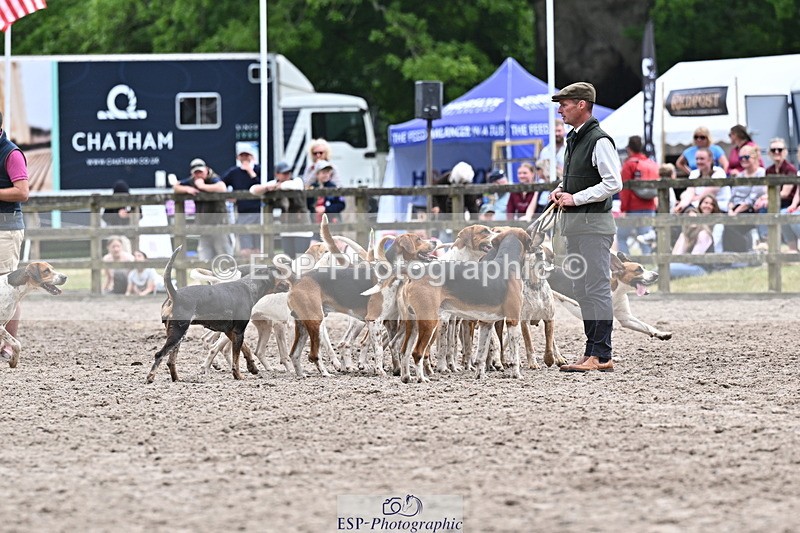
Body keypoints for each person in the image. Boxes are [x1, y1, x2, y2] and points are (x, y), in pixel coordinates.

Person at [549, 82, 622, 373]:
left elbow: (613, 183)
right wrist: (562, 189)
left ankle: (602, 354)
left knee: (596, 287)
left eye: (564, 104)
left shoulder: (599, 139)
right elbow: (584, 178)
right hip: (578, 225)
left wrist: (575, 198)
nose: (560, 109)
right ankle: (592, 350)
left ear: (581, 104)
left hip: (593, 225)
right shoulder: (575, 139)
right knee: (582, 288)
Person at [0, 111, 29, 361]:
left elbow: (22, 192)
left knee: (8, 288)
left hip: (5, 230)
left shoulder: (11, 154)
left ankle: (8, 345)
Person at [173, 158, 233, 261]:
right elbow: (176, 187)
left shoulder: (213, 178)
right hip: (203, 226)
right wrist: (188, 189)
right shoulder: (193, 180)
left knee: (224, 257)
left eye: (200, 172)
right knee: (205, 259)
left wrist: (202, 186)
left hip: (219, 225)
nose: (199, 175)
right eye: (196, 173)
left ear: (206, 170)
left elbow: (222, 188)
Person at [250, 161, 313, 259]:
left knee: (302, 259)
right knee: (289, 259)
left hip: (302, 228)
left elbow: (295, 185)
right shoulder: (274, 183)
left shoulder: (297, 181)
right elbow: (253, 190)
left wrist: (276, 186)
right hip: (286, 229)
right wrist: (267, 187)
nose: (287, 175)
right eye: (284, 173)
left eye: (288, 172)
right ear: (277, 174)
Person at [617, 135, 659, 255]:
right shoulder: (652, 163)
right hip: (649, 206)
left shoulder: (629, 164)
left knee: (621, 237)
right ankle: (648, 264)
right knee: (645, 238)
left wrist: (623, 209)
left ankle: (626, 264)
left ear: (629, 149)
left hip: (633, 207)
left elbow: (625, 189)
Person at [755, 138, 798, 249]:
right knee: (762, 209)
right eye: (773, 150)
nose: (777, 152)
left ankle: (790, 248)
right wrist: (763, 199)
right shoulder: (769, 170)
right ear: (769, 153)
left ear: (785, 152)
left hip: (787, 202)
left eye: (779, 149)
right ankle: (766, 242)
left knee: (776, 211)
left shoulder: (790, 169)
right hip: (773, 201)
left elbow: (785, 193)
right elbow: (766, 189)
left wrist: (766, 199)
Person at [220, 144, 262, 259]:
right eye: (242, 155)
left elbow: (264, 186)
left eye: (246, 155)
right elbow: (220, 184)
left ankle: (260, 272)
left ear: (251, 156)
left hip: (260, 212)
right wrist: (229, 196)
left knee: (259, 248)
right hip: (243, 213)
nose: (244, 158)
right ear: (238, 157)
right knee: (245, 250)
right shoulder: (234, 172)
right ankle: (248, 272)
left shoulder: (259, 169)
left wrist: (251, 172)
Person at [724, 144, 765, 252]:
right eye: (740, 158)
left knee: (730, 225)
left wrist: (735, 212)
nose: (743, 160)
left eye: (746, 157)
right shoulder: (740, 176)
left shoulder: (761, 173)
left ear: (755, 157)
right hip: (735, 209)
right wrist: (730, 210)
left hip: (750, 209)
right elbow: (732, 197)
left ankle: (741, 253)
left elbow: (751, 199)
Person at [669, 205, 715, 278]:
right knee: (664, 267)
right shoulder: (684, 235)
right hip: (686, 266)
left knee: (668, 269)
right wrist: (684, 238)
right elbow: (675, 256)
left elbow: (693, 259)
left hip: (701, 269)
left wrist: (677, 262)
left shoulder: (703, 234)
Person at [306, 160, 346, 225]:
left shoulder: (334, 187)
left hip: (331, 221)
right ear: (317, 174)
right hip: (315, 221)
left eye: (328, 172)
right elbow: (307, 204)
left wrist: (326, 209)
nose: (326, 175)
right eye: (323, 172)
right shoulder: (312, 187)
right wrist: (314, 208)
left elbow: (341, 204)